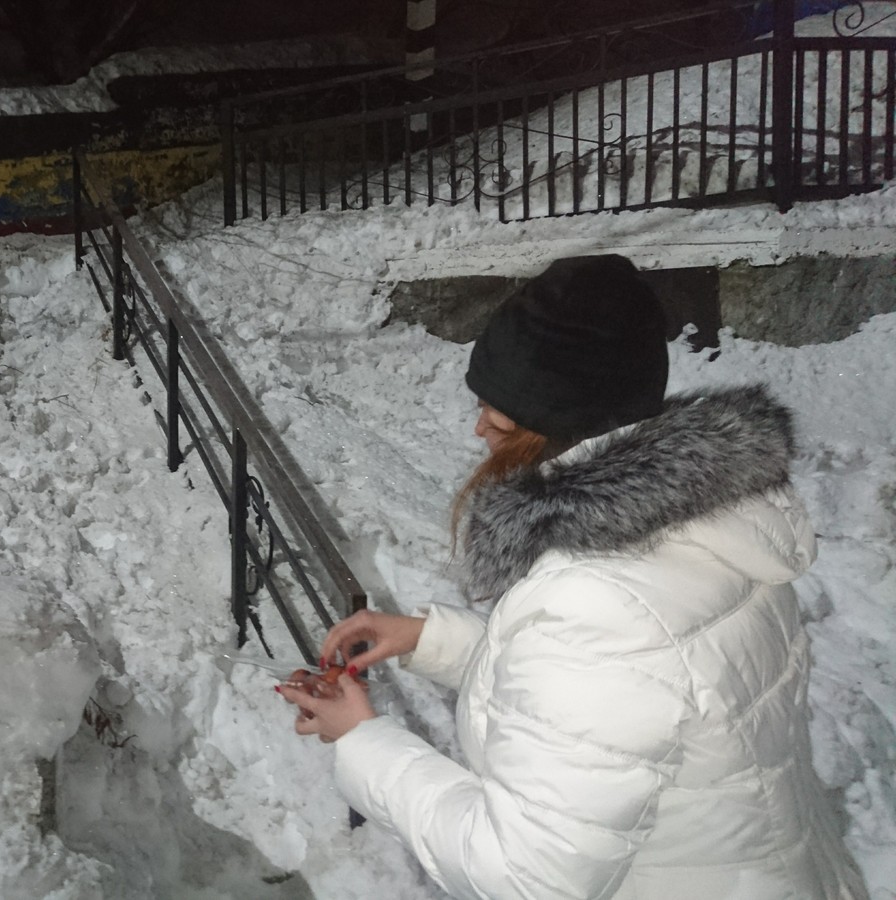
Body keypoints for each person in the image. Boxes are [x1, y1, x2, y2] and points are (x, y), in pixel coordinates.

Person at [278, 255, 869, 900]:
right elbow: (639, 697)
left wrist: (364, 741)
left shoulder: (596, 600)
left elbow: (525, 873)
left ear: (563, 422)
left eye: (500, 416)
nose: (479, 428)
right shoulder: (706, 517)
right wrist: (432, 641)